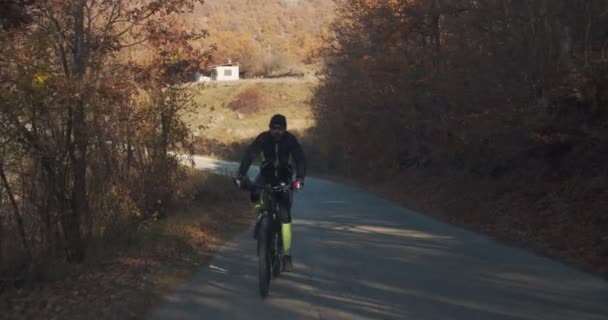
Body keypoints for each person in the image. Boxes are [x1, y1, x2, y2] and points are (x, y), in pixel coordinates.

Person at [234, 114, 306, 272]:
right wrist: (241, 174)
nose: (276, 131)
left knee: (285, 216)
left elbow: (300, 159)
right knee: (255, 193)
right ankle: (262, 217)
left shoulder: (290, 140)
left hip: (284, 178)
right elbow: (250, 155)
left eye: (279, 128)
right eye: (273, 128)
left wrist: (299, 178)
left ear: (285, 129)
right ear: (269, 128)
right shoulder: (263, 138)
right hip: (265, 176)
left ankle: (286, 255)